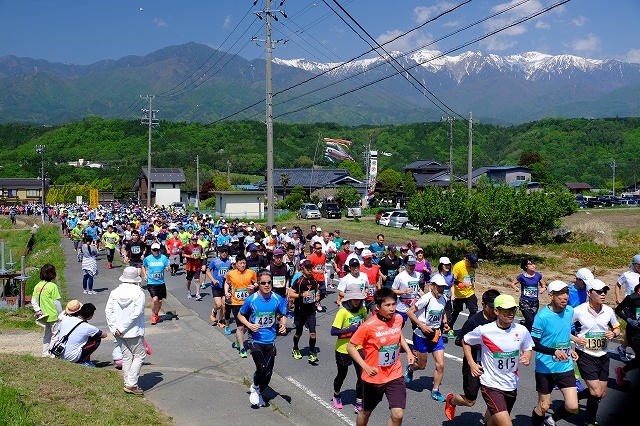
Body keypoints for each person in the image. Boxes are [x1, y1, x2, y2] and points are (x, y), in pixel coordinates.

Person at [460, 295, 533, 426]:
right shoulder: (485, 330)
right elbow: (465, 341)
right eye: (506, 310)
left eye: (513, 309)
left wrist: (527, 356)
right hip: (491, 385)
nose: (511, 313)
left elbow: (528, 347)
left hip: (511, 384)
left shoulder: (521, 330)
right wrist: (471, 363)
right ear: (496, 311)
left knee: (493, 422)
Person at [347, 288, 415, 426]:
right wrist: (365, 366)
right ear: (377, 307)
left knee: (398, 414)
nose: (392, 308)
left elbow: (398, 333)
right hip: (374, 377)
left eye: (393, 304)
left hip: (394, 374)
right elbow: (350, 347)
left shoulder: (398, 318)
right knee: (366, 412)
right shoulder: (368, 326)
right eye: (387, 305)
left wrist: (408, 351)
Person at [444, 289, 501, 421]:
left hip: (492, 366)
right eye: (491, 307)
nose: (494, 311)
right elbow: (460, 340)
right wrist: (482, 345)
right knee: (470, 400)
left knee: (494, 400)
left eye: (497, 308)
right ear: (483, 304)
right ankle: (451, 401)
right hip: (474, 364)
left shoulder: (499, 320)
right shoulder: (474, 321)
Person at [571, 279, 621, 426]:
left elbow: (617, 327)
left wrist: (614, 333)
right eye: (599, 291)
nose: (603, 294)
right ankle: (591, 421)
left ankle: (575, 397)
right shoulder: (578, 310)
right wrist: (575, 339)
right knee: (595, 392)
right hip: (585, 354)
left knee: (601, 393)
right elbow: (563, 329)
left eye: (604, 291)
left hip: (603, 355)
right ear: (589, 293)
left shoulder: (608, 310)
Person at [531, 280, 580, 426]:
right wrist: (554, 351)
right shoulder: (542, 316)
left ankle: (551, 420)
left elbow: (562, 333)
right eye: (560, 294)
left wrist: (569, 349)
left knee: (572, 406)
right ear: (551, 296)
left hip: (565, 366)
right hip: (545, 367)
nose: (565, 297)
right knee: (544, 406)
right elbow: (533, 343)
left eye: (566, 293)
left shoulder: (570, 311)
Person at [238, 269, 288, 407]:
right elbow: (240, 315)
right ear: (258, 284)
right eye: (263, 283)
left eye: (269, 282)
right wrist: (249, 324)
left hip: (270, 339)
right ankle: (254, 387)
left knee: (268, 372)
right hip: (255, 339)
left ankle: (259, 391)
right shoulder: (251, 299)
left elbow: (282, 314)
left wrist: (283, 325)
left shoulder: (277, 299)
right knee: (262, 367)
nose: (267, 285)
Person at [404, 274, 451, 402]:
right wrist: (422, 326)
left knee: (440, 365)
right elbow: (409, 312)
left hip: (436, 335)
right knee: (422, 365)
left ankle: (435, 391)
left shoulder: (444, 298)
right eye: (439, 287)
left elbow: (442, 312)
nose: (441, 289)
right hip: (421, 335)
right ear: (432, 286)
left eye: (443, 287)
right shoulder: (426, 298)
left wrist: (445, 323)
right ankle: (410, 368)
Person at [105, 266, 147, 395]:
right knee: (139, 355)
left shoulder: (115, 292)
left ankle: (128, 381)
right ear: (136, 278)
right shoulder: (139, 292)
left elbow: (108, 311)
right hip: (133, 330)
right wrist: (123, 327)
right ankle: (131, 384)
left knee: (126, 356)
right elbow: (136, 313)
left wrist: (114, 328)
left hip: (117, 331)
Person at [331, 280, 368, 413]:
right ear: (349, 298)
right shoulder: (343, 312)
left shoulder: (362, 309)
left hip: (358, 348)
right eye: (355, 299)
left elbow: (366, 324)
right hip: (343, 349)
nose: (357, 301)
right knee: (342, 375)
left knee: (362, 375)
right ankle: (336, 394)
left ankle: (359, 401)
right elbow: (333, 331)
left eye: (359, 298)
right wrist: (349, 330)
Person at [225, 254, 258, 358]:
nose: (243, 265)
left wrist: (254, 286)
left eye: (244, 263)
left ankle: (239, 339)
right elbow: (227, 283)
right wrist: (226, 292)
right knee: (240, 326)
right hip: (236, 303)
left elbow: (256, 283)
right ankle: (242, 348)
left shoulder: (251, 272)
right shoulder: (231, 273)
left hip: (248, 303)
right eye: (240, 263)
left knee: (247, 326)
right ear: (236, 264)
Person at [289, 259, 320, 363]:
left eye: (311, 268)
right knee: (299, 332)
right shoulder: (299, 281)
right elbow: (291, 294)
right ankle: (295, 348)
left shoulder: (314, 281)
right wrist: (302, 295)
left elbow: (316, 292)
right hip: (300, 311)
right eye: (307, 268)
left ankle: (311, 352)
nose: (310, 270)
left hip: (311, 311)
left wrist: (317, 296)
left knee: (313, 333)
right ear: (303, 269)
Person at [57, 301, 106, 366]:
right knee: (96, 338)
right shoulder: (87, 327)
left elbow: (59, 330)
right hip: (72, 357)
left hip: (59, 352)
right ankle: (83, 360)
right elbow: (104, 335)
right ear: (90, 316)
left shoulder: (65, 319)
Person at [31, 263, 62, 357]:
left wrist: (38, 310)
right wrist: (61, 314)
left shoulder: (38, 285)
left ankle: (45, 353)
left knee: (47, 335)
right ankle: (52, 354)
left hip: (43, 315)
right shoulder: (52, 286)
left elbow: (33, 300)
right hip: (52, 315)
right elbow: (56, 303)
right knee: (55, 335)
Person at [615, 254, 640, 362]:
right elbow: (617, 285)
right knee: (633, 327)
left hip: (638, 305)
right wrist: (618, 297)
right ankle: (623, 349)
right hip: (628, 305)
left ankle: (622, 347)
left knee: (634, 330)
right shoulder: (627, 274)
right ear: (634, 264)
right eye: (639, 265)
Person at [614, 282, 640, 387]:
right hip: (634, 333)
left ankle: (622, 371)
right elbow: (618, 310)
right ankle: (621, 371)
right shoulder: (632, 298)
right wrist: (628, 320)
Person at [510, 258, 546, 331]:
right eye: (531, 264)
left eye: (534, 264)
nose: (533, 266)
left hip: (534, 301)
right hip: (524, 301)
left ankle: (524, 329)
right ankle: (527, 334)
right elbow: (513, 283)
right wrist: (516, 288)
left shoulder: (538, 276)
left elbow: (544, 285)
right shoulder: (522, 277)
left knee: (532, 320)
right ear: (526, 266)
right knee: (529, 319)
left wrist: (543, 289)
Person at [141, 242, 170, 325]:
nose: (156, 252)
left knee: (160, 301)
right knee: (155, 299)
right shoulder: (148, 259)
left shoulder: (163, 258)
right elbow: (143, 266)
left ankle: (156, 314)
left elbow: (167, 266)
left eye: (157, 250)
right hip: (151, 282)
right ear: (151, 250)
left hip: (161, 282)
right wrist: (145, 274)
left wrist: (168, 268)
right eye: (154, 250)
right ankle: (153, 315)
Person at [450, 253, 480, 330]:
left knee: (473, 310)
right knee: (456, 312)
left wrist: (473, 282)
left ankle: (467, 328)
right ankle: (449, 327)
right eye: (471, 264)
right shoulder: (458, 266)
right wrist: (459, 284)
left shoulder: (472, 266)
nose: (472, 266)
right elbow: (452, 279)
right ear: (467, 260)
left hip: (470, 292)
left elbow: (472, 275)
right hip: (459, 294)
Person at [391, 255, 422, 326]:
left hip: (414, 304)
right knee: (398, 326)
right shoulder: (400, 277)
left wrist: (423, 295)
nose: (412, 266)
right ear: (405, 264)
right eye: (410, 264)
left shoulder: (418, 275)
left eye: (413, 264)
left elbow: (418, 288)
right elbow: (393, 290)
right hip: (402, 305)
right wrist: (404, 292)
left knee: (417, 326)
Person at [206, 245, 232, 327]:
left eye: (226, 252)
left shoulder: (230, 261)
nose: (224, 253)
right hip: (216, 286)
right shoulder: (215, 261)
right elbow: (207, 271)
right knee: (219, 305)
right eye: (222, 252)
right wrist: (213, 280)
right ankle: (214, 311)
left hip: (225, 287)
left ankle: (220, 321)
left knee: (224, 306)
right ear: (219, 253)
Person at [183, 235, 204, 300]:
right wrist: (190, 256)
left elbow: (202, 254)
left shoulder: (200, 246)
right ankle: (189, 291)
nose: (195, 241)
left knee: (197, 280)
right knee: (189, 280)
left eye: (196, 240)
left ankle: (198, 294)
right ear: (191, 240)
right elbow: (183, 254)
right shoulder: (187, 246)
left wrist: (201, 258)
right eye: (193, 240)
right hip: (190, 266)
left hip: (197, 265)